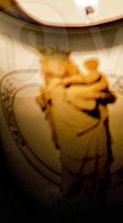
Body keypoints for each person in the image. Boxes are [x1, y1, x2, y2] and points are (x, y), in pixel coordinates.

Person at [36, 52, 117, 203]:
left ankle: (84, 198)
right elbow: (103, 88)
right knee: (80, 170)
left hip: (85, 136)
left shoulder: (53, 91)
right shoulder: (67, 91)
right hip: (81, 137)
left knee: (79, 170)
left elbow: (102, 92)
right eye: (71, 63)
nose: (75, 65)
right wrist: (95, 74)